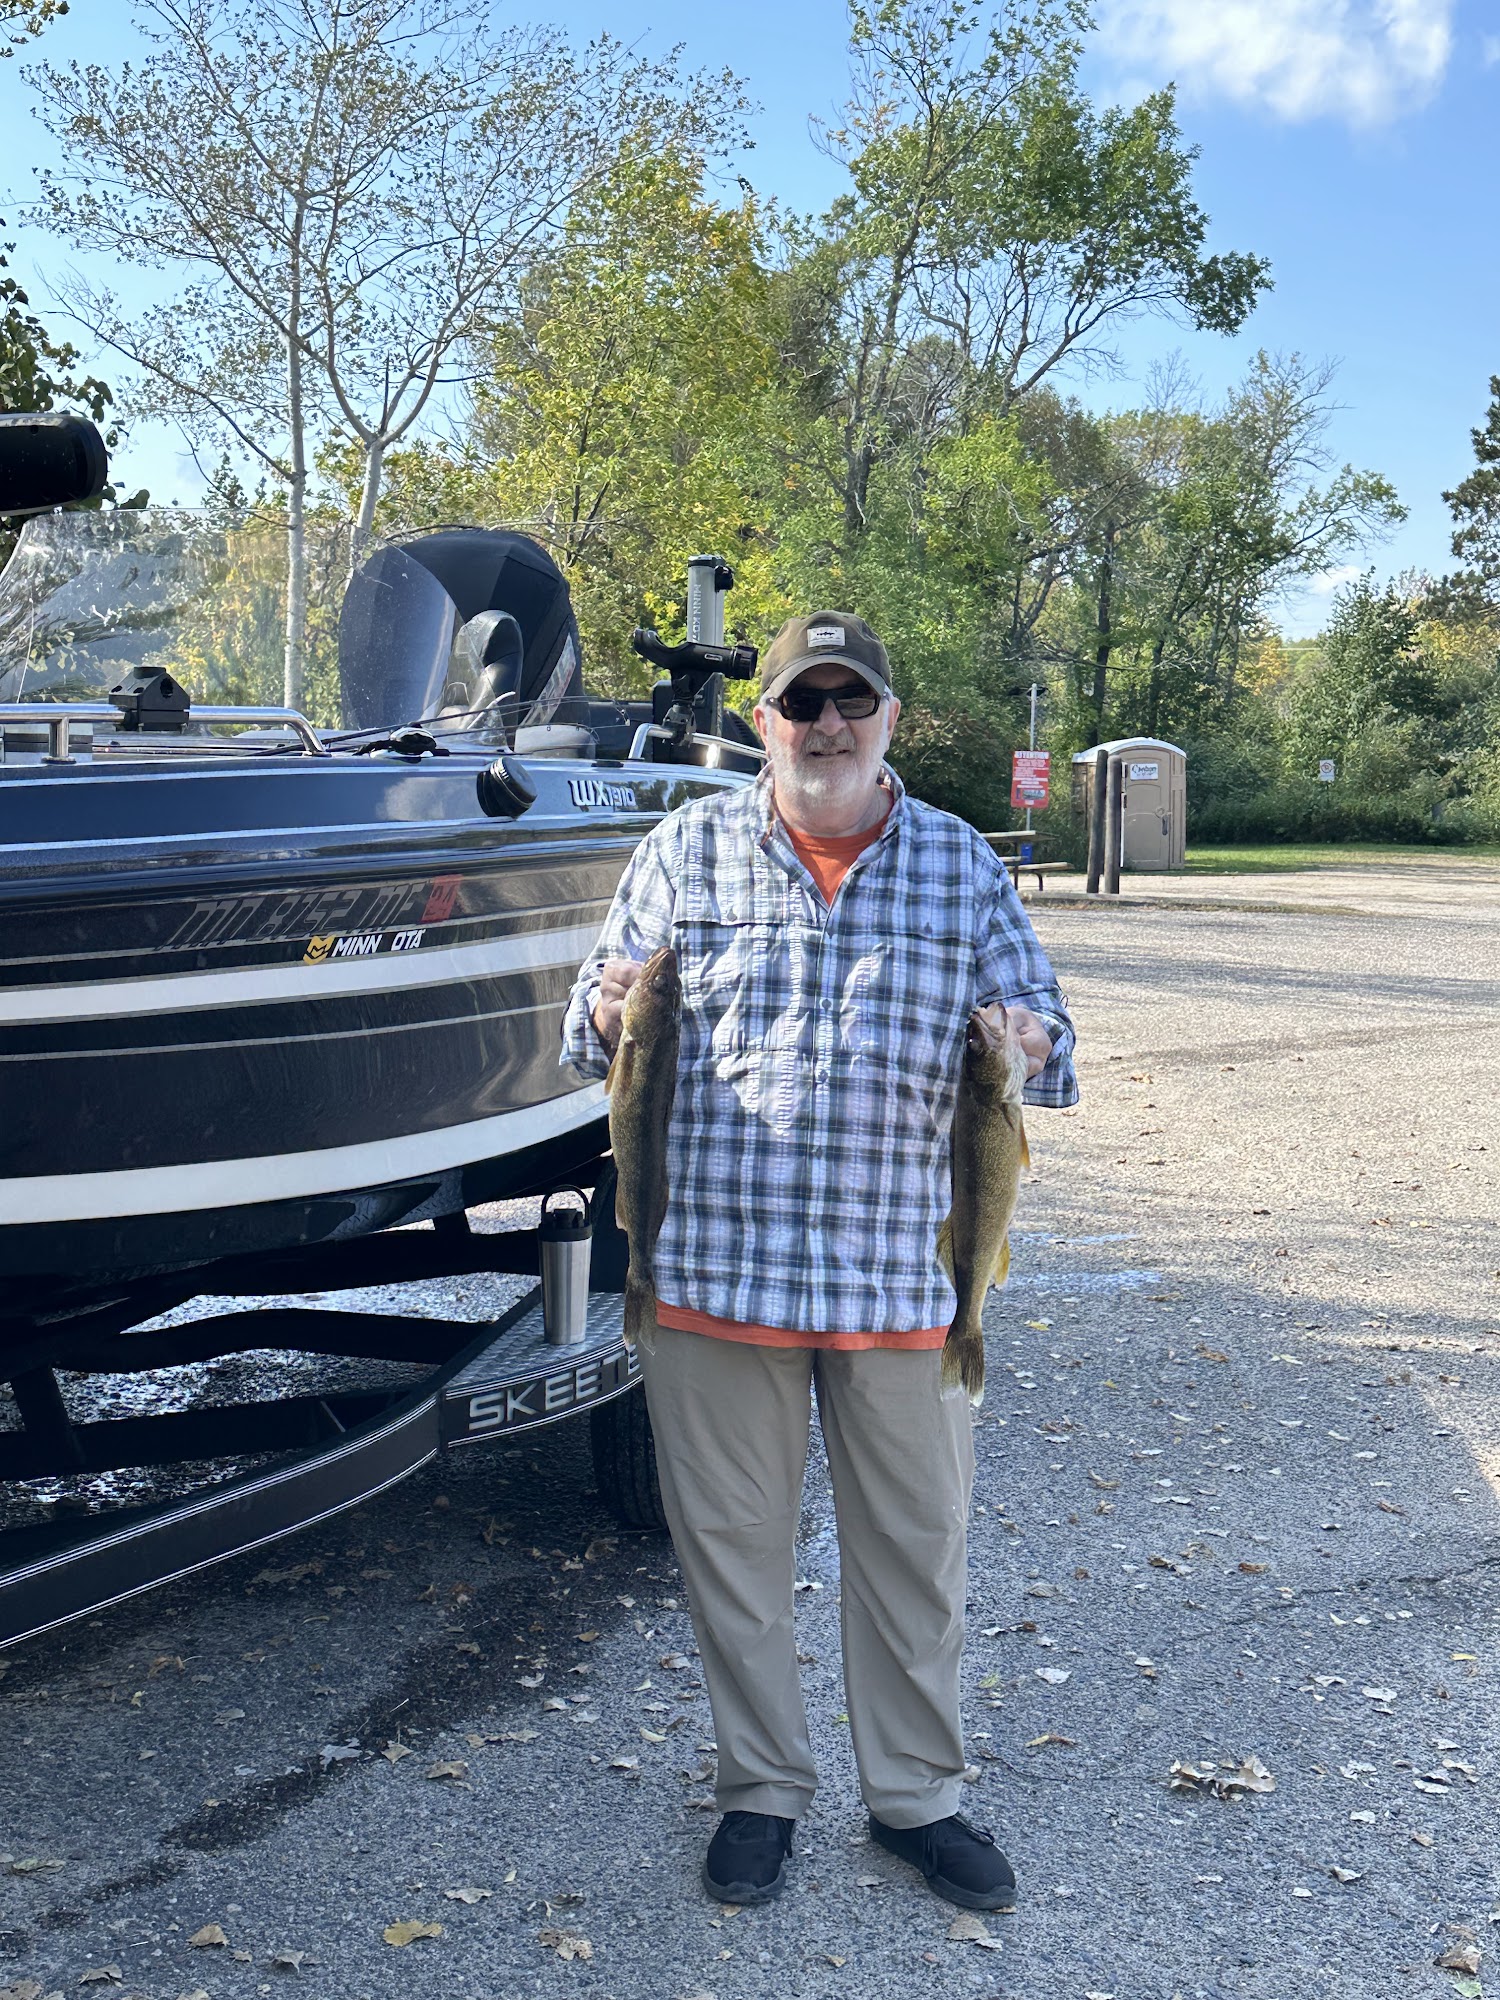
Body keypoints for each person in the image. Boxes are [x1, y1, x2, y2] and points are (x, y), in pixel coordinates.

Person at [562, 611, 1077, 1913]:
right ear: (765, 722)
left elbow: (1049, 1040)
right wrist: (606, 1006)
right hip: (714, 1278)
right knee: (730, 1554)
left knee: (915, 1555)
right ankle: (760, 1788)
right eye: (804, 702)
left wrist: (1027, 1038)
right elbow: (592, 1024)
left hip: (906, 1283)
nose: (828, 725)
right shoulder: (682, 850)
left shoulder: (961, 862)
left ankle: (918, 1799)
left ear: (890, 720)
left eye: (853, 701)